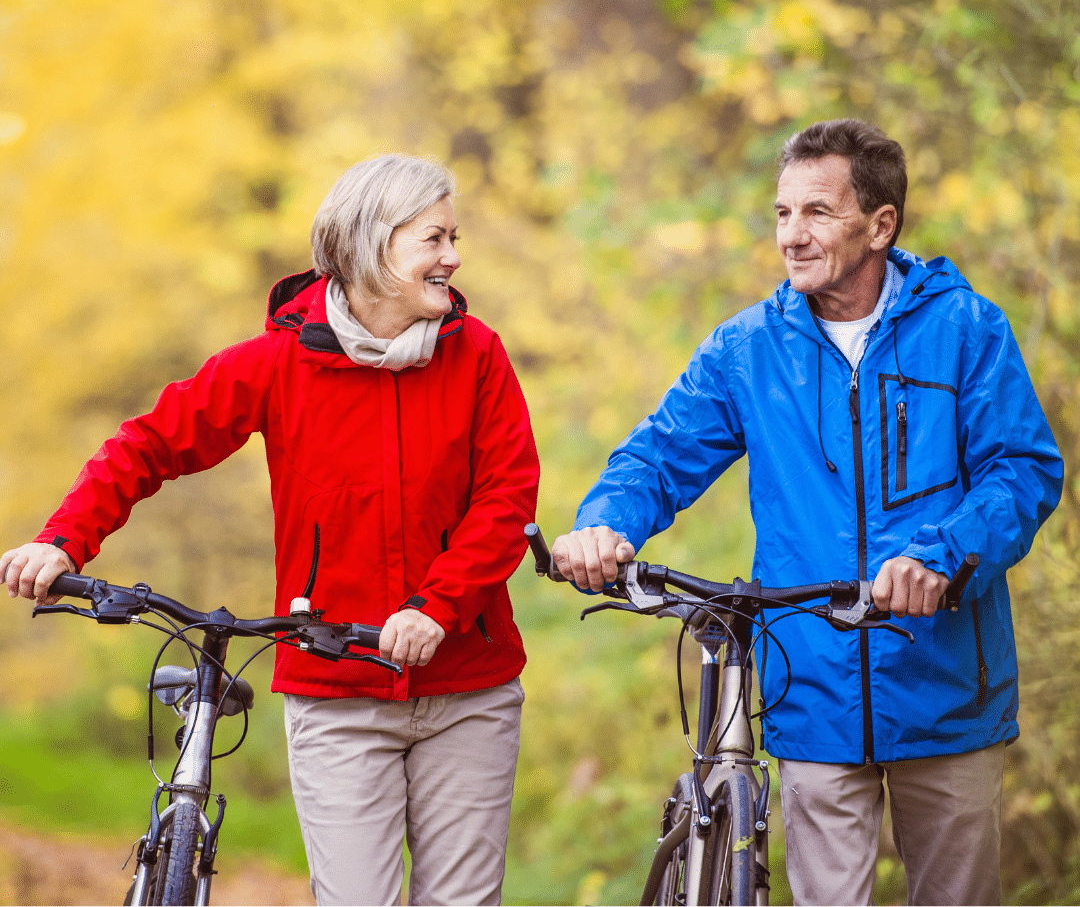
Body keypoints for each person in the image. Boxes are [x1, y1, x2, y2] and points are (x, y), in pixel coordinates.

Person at [1, 154, 539, 907]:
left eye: (454, 237)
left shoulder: (475, 355)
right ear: (369, 244)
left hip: (468, 688)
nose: (453, 256)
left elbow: (507, 498)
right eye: (433, 238)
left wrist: (438, 606)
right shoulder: (279, 363)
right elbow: (150, 444)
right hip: (335, 690)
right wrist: (63, 540)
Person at [551, 119, 1062, 906]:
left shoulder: (965, 328)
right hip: (811, 684)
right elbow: (657, 456)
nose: (792, 235)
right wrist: (606, 523)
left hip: (949, 684)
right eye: (782, 212)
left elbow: (1021, 471)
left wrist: (943, 553)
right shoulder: (747, 348)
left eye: (817, 212)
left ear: (880, 225)